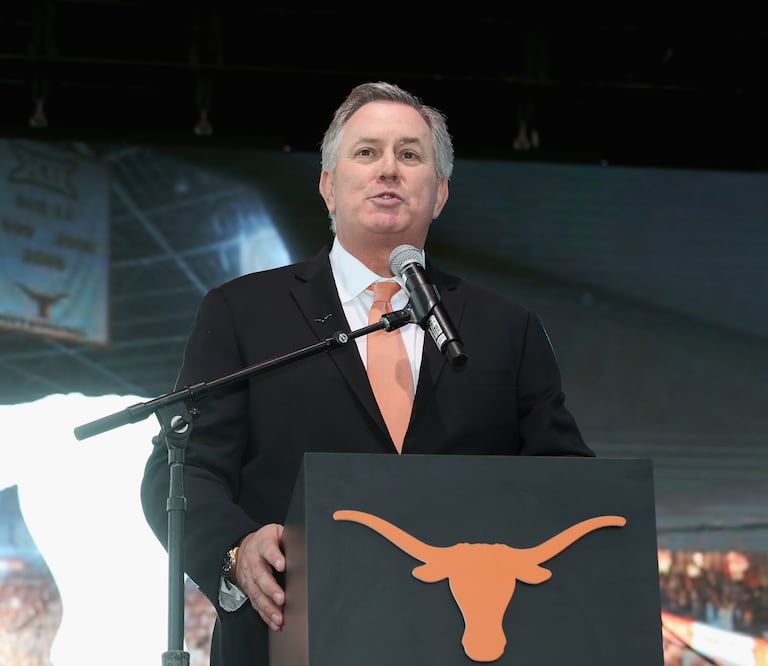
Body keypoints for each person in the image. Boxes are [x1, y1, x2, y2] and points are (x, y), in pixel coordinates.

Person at [140, 80, 595, 666]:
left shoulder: (507, 327)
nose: (389, 170)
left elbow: (566, 480)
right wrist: (234, 551)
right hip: (292, 638)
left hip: (463, 643)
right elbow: (182, 470)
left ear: (440, 193)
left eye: (410, 154)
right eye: (366, 152)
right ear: (328, 185)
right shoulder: (242, 311)